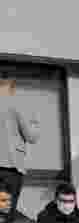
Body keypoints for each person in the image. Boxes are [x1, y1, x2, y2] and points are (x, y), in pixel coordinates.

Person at [0, 72, 40, 213]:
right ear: (10, 84)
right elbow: (32, 137)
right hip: (10, 167)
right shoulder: (17, 103)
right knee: (5, 213)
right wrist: (34, 121)